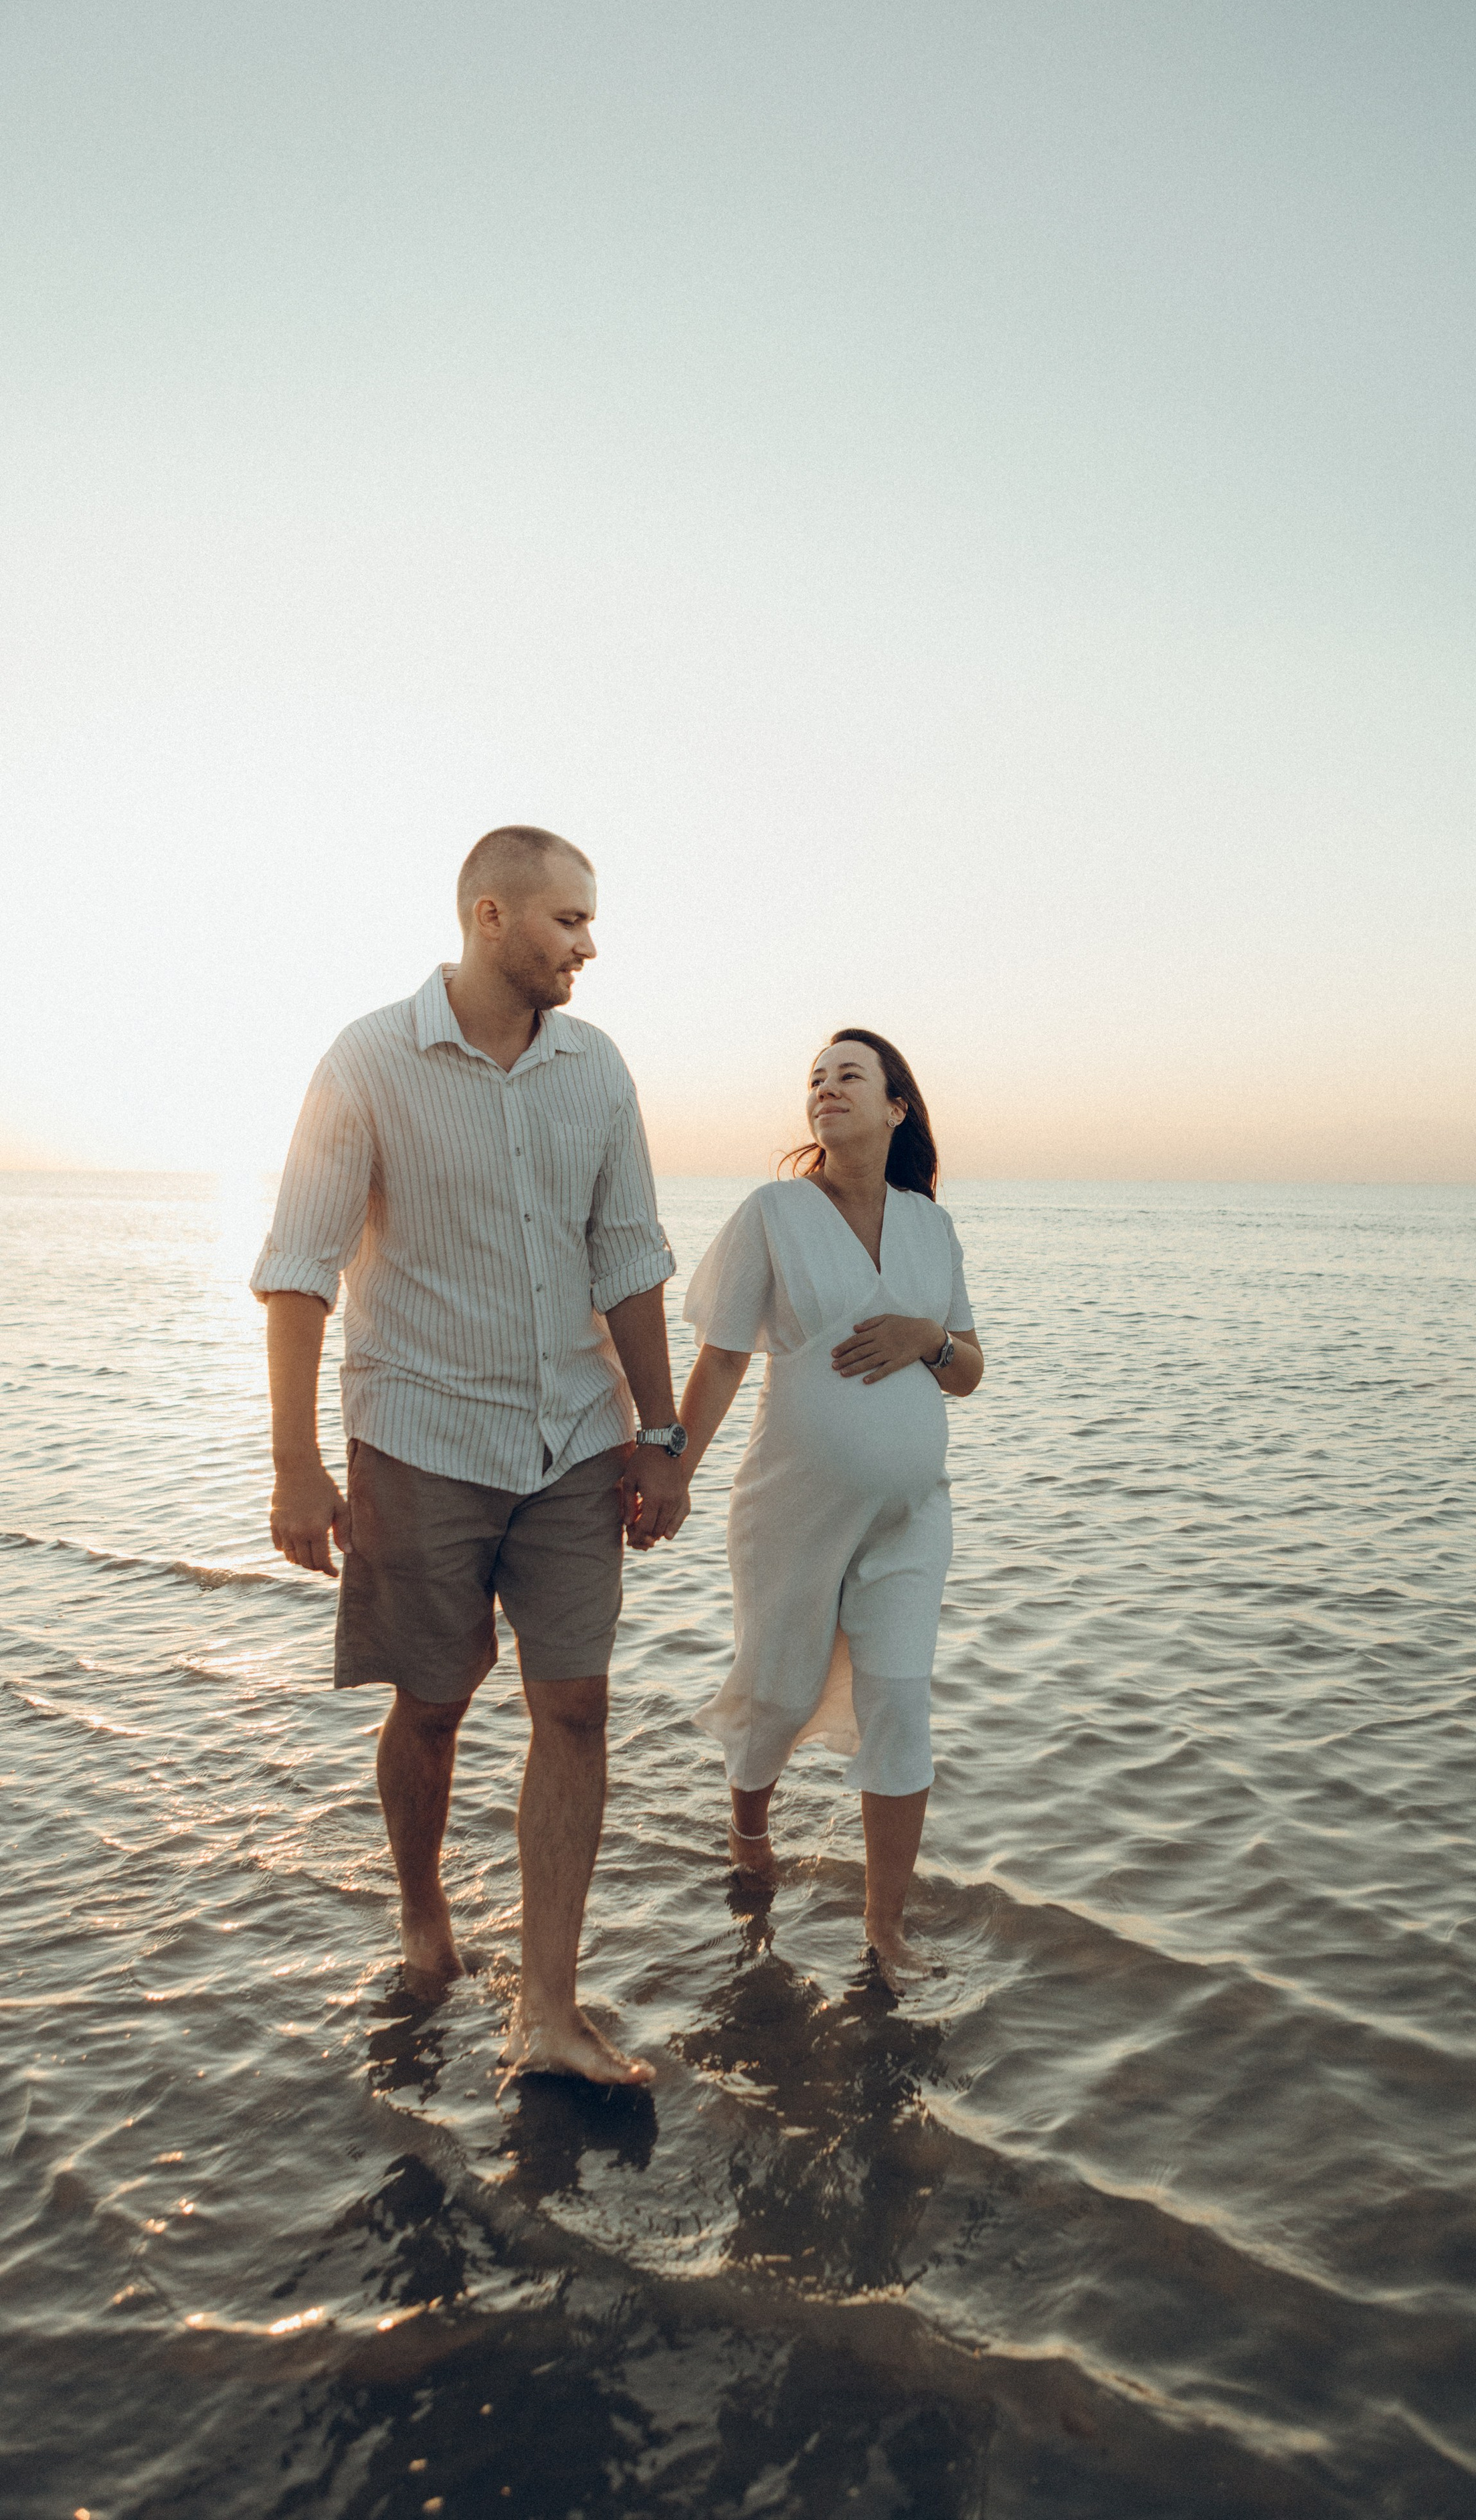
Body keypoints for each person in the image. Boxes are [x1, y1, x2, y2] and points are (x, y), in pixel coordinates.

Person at [252, 826, 690, 2087]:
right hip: (422, 1439)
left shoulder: (598, 1070)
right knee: (433, 1704)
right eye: (569, 920)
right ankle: (423, 1913)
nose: (589, 946)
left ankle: (548, 2007)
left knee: (577, 1708)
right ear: (491, 916)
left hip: (576, 1440)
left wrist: (661, 1436)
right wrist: (296, 1465)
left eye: (590, 921)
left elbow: (630, 1260)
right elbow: (298, 1269)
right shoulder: (368, 1061)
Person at [676, 1030, 984, 1980]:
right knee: (776, 1689)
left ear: (896, 1106)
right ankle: (748, 1830)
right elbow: (723, 1359)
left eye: (849, 1075)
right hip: (791, 1509)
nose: (826, 1088)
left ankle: (885, 1930)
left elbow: (967, 1371)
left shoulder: (930, 1227)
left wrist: (927, 1336)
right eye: (815, 1078)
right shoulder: (774, 1212)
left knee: (900, 1705)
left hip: (911, 1517)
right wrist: (672, 1470)